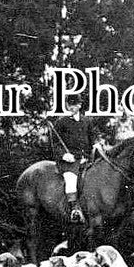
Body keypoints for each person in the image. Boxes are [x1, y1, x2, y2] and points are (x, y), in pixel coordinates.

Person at [50, 95, 96, 224]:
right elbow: (55, 143)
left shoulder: (87, 121)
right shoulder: (61, 122)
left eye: (74, 105)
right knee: (71, 179)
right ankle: (74, 210)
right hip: (68, 161)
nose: (70, 107)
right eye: (69, 105)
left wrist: (95, 146)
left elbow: (92, 139)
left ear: (79, 106)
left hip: (85, 159)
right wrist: (64, 155)